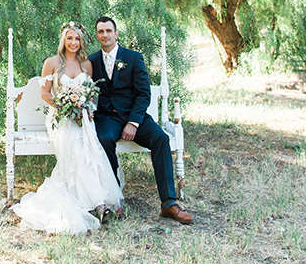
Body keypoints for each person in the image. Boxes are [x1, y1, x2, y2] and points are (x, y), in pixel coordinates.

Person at [12, 22, 124, 234]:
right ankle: (96, 204)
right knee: (75, 145)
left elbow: (91, 92)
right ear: (63, 40)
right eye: (70, 38)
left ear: (82, 42)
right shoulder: (52, 63)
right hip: (61, 117)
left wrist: (84, 107)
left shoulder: (87, 64)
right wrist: (64, 107)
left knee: (93, 148)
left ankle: (98, 201)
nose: (73, 42)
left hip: (82, 116)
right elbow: (45, 94)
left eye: (77, 39)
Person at [89, 16, 194, 224]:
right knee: (103, 139)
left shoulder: (134, 58)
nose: (105, 35)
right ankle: (114, 200)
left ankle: (168, 203)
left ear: (116, 33)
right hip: (108, 117)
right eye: (100, 32)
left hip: (134, 116)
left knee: (161, 139)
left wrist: (134, 122)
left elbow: (144, 94)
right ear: (97, 36)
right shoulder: (91, 61)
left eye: (108, 31)